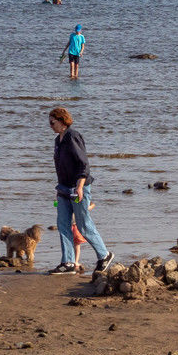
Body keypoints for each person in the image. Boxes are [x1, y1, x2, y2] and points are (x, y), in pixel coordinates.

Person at [49, 106, 114, 275]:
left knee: (83, 224)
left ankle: (104, 255)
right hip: (63, 188)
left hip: (78, 187)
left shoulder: (73, 136)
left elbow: (83, 164)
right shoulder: (58, 140)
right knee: (63, 224)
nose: (50, 125)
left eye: (52, 122)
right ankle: (68, 262)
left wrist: (79, 186)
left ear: (62, 122)